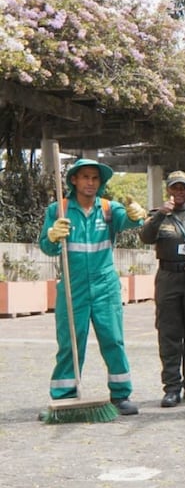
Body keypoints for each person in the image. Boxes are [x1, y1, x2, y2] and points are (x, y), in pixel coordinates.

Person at [40, 158, 147, 415]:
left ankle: (121, 395)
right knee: (70, 343)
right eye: (85, 177)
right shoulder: (59, 210)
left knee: (113, 340)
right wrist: (53, 235)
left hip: (105, 286)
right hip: (72, 286)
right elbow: (46, 245)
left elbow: (130, 221)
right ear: (73, 180)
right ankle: (64, 396)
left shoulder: (110, 209)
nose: (90, 182)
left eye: (95, 178)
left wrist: (136, 216)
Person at [139, 170, 185, 408]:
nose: (179, 192)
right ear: (168, 189)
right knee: (169, 334)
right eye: (175, 188)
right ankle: (172, 388)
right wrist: (159, 216)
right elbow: (145, 237)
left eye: (183, 188)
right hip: (168, 277)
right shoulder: (160, 215)